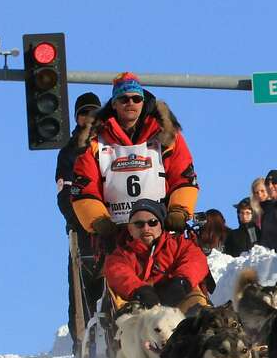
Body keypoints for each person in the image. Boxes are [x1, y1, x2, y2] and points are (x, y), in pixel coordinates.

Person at [70, 72, 199, 243]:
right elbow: (84, 188)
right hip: (116, 236)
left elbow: (183, 176)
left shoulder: (166, 136)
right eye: (124, 99)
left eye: (136, 99)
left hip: (162, 231)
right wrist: (98, 221)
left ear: (143, 102)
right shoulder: (93, 141)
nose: (130, 103)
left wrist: (179, 211)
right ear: (114, 104)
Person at [55, 91, 105, 358]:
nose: (89, 118)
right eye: (84, 113)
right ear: (77, 117)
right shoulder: (69, 152)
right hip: (82, 228)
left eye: (94, 113)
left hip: (112, 224)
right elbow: (64, 193)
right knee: (82, 288)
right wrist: (78, 221)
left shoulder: (109, 144)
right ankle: (83, 345)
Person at [103, 199, 210, 315]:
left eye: (152, 222)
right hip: (141, 310)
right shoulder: (121, 255)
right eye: (139, 224)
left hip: (179, 303)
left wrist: (182, 282)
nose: (146, 228)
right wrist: (140, 290)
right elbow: (118, 273)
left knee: (197, 301)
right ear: (130, 229)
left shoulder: (179, 245)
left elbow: (195, 260)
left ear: (161, 226)